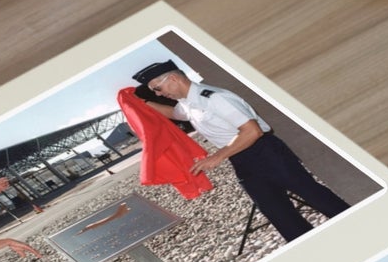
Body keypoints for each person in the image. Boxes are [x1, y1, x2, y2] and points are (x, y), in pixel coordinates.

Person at [130, 60, 349, 241]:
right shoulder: (188, 102)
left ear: (174, 79)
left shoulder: (214, 98)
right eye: (154, 91)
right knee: (277, 212)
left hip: (265, 152)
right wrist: (139, 103)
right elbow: (175, 114)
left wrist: (217, 157)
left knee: (314, 195)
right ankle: (312, 246)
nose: (159, 93)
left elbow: (252, 131)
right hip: (242, 160)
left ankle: (356, 225)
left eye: (157, 89)